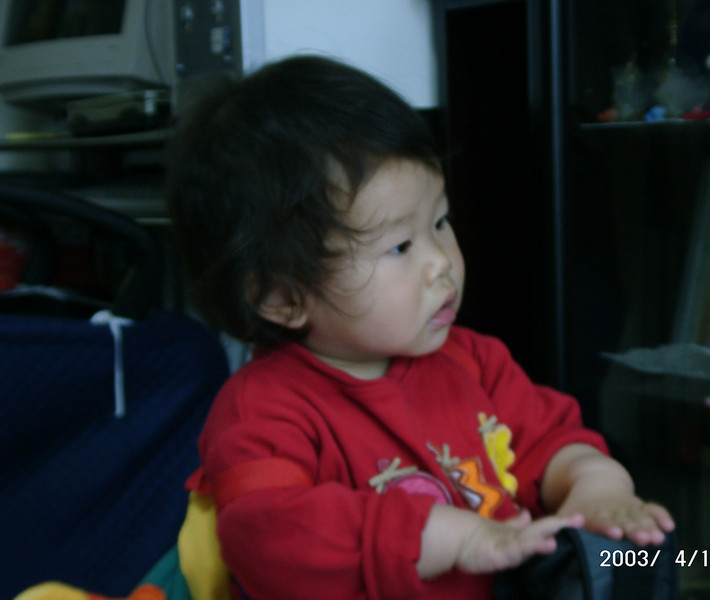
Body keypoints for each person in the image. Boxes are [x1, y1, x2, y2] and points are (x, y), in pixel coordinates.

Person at [166, 54, 675, 600]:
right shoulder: (262, 412)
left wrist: (596, 487)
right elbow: (271, 536)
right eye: (400, 246)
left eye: (440, 221)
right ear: (281, 297)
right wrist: (455, 538)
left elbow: (550, 443)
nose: (441, 262)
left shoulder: (474, 362)